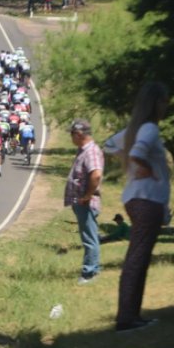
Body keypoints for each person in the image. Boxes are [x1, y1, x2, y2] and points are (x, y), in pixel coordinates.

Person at [107, 81, 171, 332]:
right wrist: (142, 166)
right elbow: (136, 153)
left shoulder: (135, 129)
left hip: (137, 198)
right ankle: (127, 318)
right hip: (147, 200)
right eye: (165, 101)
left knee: (138, 258)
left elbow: (109, 144)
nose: (166, 107)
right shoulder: (150, 129)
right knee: (137, 259)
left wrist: (131, 161)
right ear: (156, 103)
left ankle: (131, 315)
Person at [64, 119, 104, 285]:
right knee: (89, 236)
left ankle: (89, 272)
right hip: (81, 202)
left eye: (72, 134)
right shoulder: (83, 150)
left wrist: (87, 196)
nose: (71, 137)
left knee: (89, 238)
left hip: (86, 203)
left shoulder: (91, 152)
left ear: (79, 134)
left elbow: (96, 175)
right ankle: (93, 269)